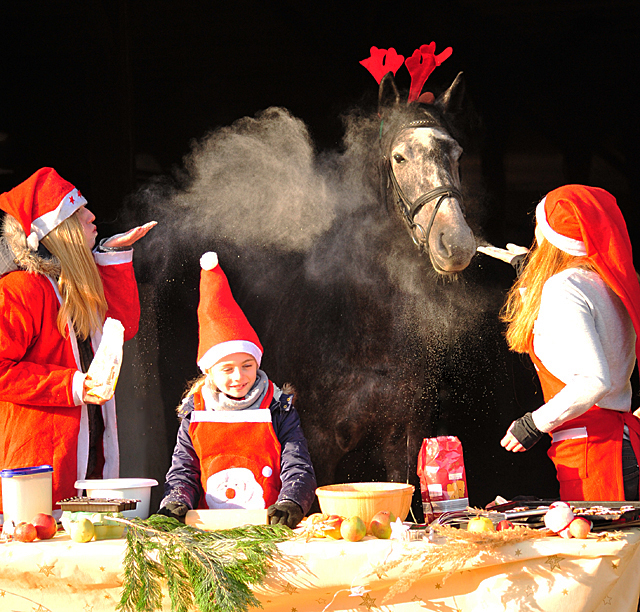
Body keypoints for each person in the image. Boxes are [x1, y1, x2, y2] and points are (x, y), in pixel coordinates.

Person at [0, 167, 155, 513]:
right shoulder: (19, 290)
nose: (92, 215)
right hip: (38, 465)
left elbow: (123, 326)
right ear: (59, 230)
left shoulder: (72, 284)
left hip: (86, 454)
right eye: (78, 211)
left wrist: (112, 259)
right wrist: (73, 386)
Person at [478, 184, 640, 501]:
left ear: (552, 237)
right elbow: (559, 337)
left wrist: (534, 422)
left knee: (599, 552)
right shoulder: (608, 281)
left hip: (596, 456)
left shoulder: (564, 287)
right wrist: (530, 280)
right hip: (614, 446)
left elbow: (593, 381)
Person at [158, 251, 316, 528]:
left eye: (247, 365)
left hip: (270, 528)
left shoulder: (278, 407)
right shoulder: (195, 413)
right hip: (210, 530)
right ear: (208, 371)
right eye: (226, 369)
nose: (239, 377)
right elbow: (183, 471)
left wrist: (291, 500)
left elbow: (297, 465)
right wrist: (177, 500)